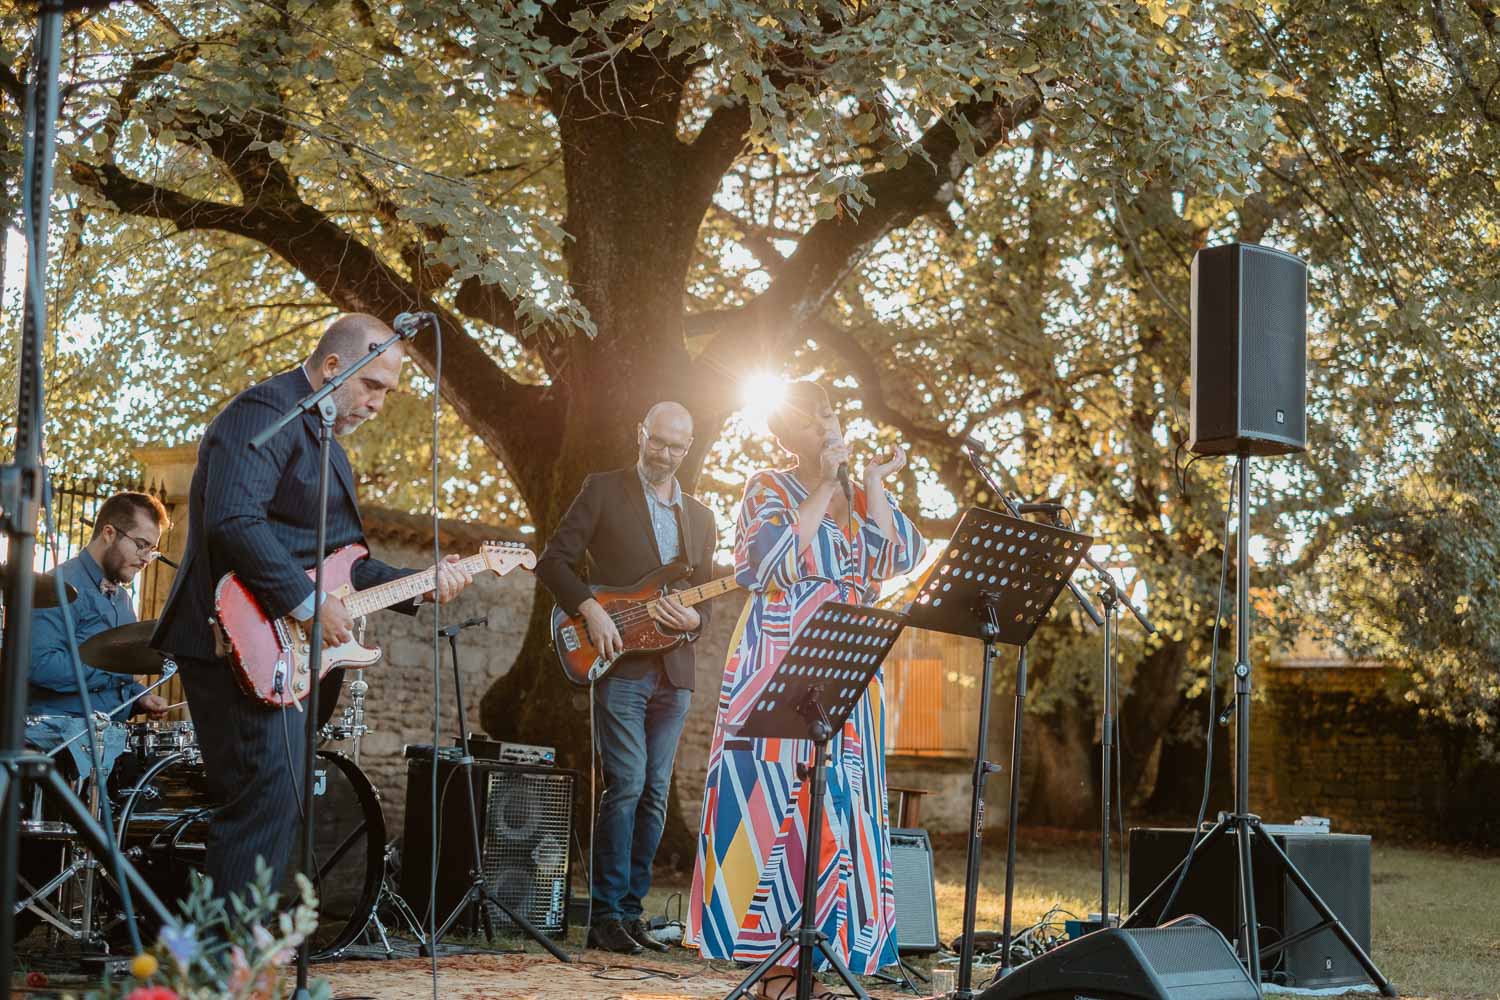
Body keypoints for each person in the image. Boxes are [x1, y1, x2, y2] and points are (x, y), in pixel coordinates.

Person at [151, 313, 474, 903]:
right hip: (233, 638)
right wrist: (305, 603)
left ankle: (248, 960)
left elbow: (342, 563)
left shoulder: (331, 449)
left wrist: (419, 584)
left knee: (279, 799)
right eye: (372, 385)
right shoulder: (265, 412)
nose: (378, 404)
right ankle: (229, 970)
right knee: (263, 795)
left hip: (283, 650)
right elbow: (233, 520)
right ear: (332, 367)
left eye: (388, 393)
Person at [687, 381, 926, 996]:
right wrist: (823, 483)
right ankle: (775, 970)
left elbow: (897, 558)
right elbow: (767, 563)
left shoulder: (858, 494)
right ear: (787, 437)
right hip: (780, 657)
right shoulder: (768, 485)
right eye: (810, 420)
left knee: (841, 809)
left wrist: (871, 482)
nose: (825, 425)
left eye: (828, 413)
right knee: (779, 807)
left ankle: (822, 963)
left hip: (849, 664)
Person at [536, 401, 719, 955]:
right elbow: (554, 563)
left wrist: (694, 622)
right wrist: (590, 608)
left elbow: (703, 601)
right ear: (641, 433)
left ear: (688, 448)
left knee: (657, 794)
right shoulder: (602, 489)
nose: (665, 454)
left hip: (675, 671)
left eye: (677, 447)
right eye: (658, 441)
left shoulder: (703, 518)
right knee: (628, 785)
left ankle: (632, 914)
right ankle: (604, 916)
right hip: (616, 664)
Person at [25, 491, 173, 779]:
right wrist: (117, 674)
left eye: (151, 551)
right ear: (108, 533)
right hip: (57, 749)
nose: (146, 559)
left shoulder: (122, 599)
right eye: (141, 545)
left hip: (105, 744)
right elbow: (40, 665)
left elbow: (111, 667)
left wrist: (136, 697)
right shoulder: (56, 587)